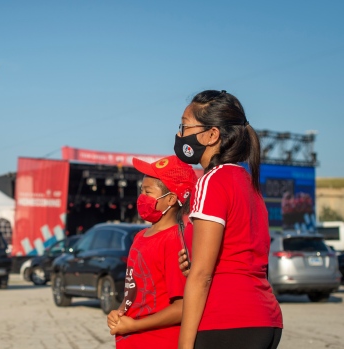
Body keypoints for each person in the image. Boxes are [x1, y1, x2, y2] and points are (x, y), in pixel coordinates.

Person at [175, 90, 283, 349]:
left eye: (185, 126)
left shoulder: (212, 181)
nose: (180, 135)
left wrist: (184, 344)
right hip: (265, 318)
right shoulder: (248, 184)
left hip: (227, 321)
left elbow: (202, 276)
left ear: (212, 135)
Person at [107, 155, 197, 348]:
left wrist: (134, 326)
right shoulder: (140, 237)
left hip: (159, 341)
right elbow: (133, 290)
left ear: (171, 199)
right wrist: (120, 313)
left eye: (148, 191)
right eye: (141, 191)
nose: (142, 197)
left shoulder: (175, 241)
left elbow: (182, 308)